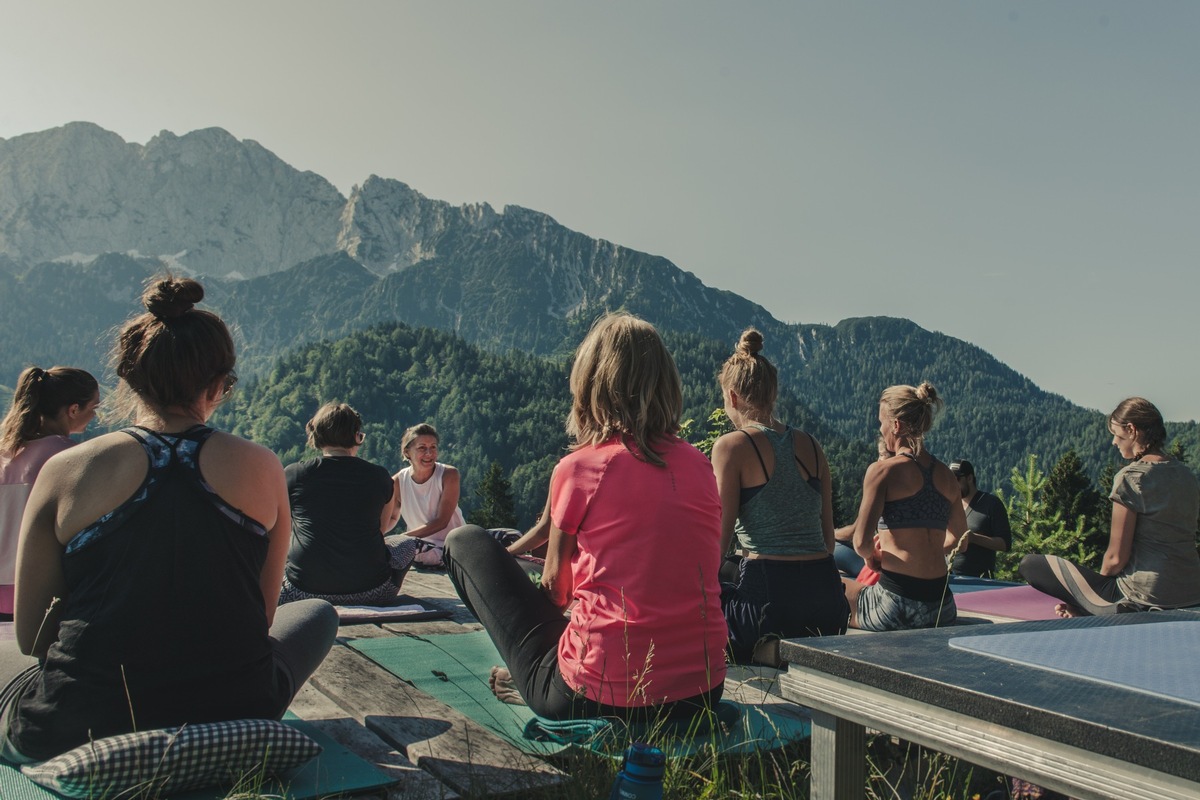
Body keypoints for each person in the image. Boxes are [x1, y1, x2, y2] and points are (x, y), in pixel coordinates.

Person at [0, 276, 338, 763]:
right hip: (234, 713)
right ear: (220, 386)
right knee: (317, 615)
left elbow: (33, 635)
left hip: (76, 727)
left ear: (127, 380)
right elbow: (261, 618)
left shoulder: (65, 469)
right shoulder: (263, 466)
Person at [442, 313, 727, 722]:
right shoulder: (700, 465)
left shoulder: (581, 468)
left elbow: (556, 591)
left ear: (593, 382)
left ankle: (534, 680)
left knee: (463, 541)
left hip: (597, 695)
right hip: (702, 692)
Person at [710, 328, 848, 664]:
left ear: (732, 397)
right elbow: (827, 542)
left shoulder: (731, 447)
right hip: (826, 600)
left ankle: (764, 651)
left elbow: (717, 542)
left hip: (769, 602)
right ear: (773, 394)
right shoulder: (812, 445)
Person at [1019, 397, 1200, 616]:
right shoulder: (1187, 475)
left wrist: (1089, 599)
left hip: (1145, 595)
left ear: (1131, 430)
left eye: (1116, 433)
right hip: (1192, 591)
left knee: (1031, 564)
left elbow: (1116, 558)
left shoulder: (1132, 478)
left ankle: (1096, 610)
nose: (1114, 441)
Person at [843, 382, 968, 631]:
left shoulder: (883, 472)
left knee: (825, 584)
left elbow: (861, 542)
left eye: (881, 422)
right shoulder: (946, 476)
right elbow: (961, 540)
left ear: (896, 425)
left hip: (895, 607)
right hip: (942, 607)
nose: (880, 428)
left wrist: (874, 558)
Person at [279, 402, 419, 605]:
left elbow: (281, 526)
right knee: (406, 544)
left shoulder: (295, 474)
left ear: (316, 437)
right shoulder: (379, 477)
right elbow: (380, 528)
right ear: (356, 436)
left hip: (302, 591)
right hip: (373, 591)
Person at [0, 367, 99, 620]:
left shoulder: (5, 454)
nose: (95, 416)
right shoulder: (68, 457)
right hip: (40, 593)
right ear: (73, 409)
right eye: (94, 407)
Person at [391, 423, 467, 567]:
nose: (429, 453)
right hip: (418, 546)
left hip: (454, 546)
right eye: (422, 448)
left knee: (510, 536)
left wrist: (400, 539)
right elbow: (392, 517)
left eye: (433, 447)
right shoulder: (397, 482)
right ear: (407, 452)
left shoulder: (448, 475)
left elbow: (441, 521)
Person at [949, 459, 1012, 579]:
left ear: (969, 478)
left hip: (979, 580)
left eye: (957, 479)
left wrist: (974, 538)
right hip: (949, 578)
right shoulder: (951, 505)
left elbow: (1005, 544)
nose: (953, 485)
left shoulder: (991, 504)